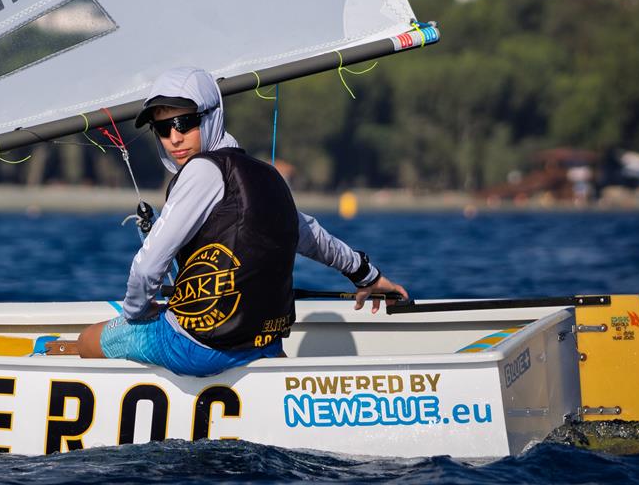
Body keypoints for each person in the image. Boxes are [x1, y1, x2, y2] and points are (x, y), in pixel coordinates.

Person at [76, 66, 408, 376]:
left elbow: (147, 268)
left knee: (86, 340)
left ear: (211, 116)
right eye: (162, 128)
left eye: (184, 123)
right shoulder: (267, 176)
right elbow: (313, 238)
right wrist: (367, 275)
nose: (174, 138)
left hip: (198, 348)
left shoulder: (200, 171)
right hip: (264, 343)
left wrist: (135, 314)